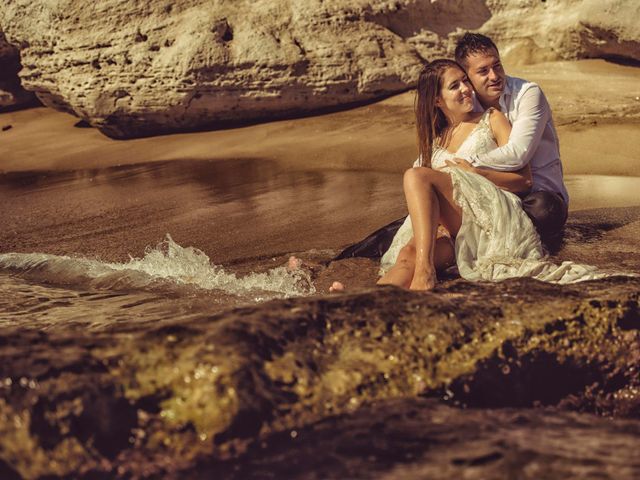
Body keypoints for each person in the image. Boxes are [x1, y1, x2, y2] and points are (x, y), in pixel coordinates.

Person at [331, 58, 603, 292]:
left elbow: (524, 180)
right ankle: (365, 302)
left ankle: (426, 273)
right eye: (455, 85)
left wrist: (477, 172)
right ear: (437, 100)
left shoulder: (492, 118)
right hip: (451, 227)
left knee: (415, 176)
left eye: (465, 81)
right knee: (406, 255)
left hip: (488, 215)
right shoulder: (437, 140)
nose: (466, 89)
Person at [334, 32, 568, 262]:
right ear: (467, 75)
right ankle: (341, 260)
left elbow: (518, 154)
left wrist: (460, 169)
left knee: (542, 208)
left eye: (497, 66)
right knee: (411, 223)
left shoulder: (527, 95)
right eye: (483, 71)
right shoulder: (465, 103)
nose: (495, 75)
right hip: (482, 196)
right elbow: (434, 156)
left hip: (536, 195)